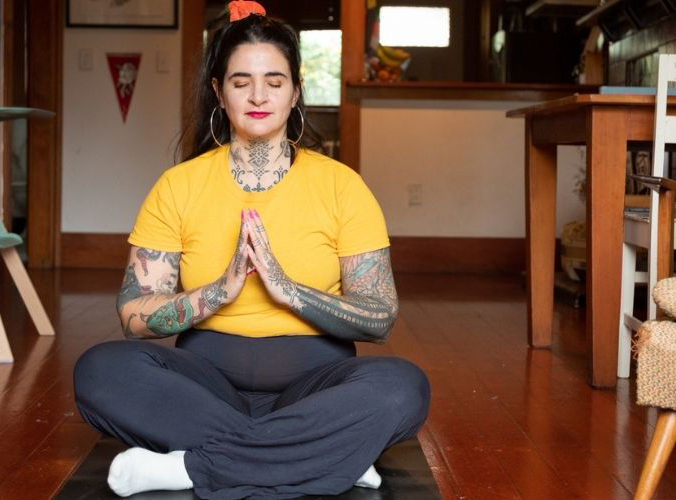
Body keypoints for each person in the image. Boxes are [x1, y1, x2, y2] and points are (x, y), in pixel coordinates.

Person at [72, 3, 430, 498]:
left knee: (403, 386)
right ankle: (328, 458)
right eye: (241, 82)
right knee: (99, 371)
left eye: (275, 81)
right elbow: (133, 316)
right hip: (204, 386)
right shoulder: (179, 186)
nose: (258, 95)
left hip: (317, 384)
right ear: (219, 92)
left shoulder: (342, 186)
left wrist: (289, 291)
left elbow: (380, 317)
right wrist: (216, 293)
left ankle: (188, 467)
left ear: (296, 91)